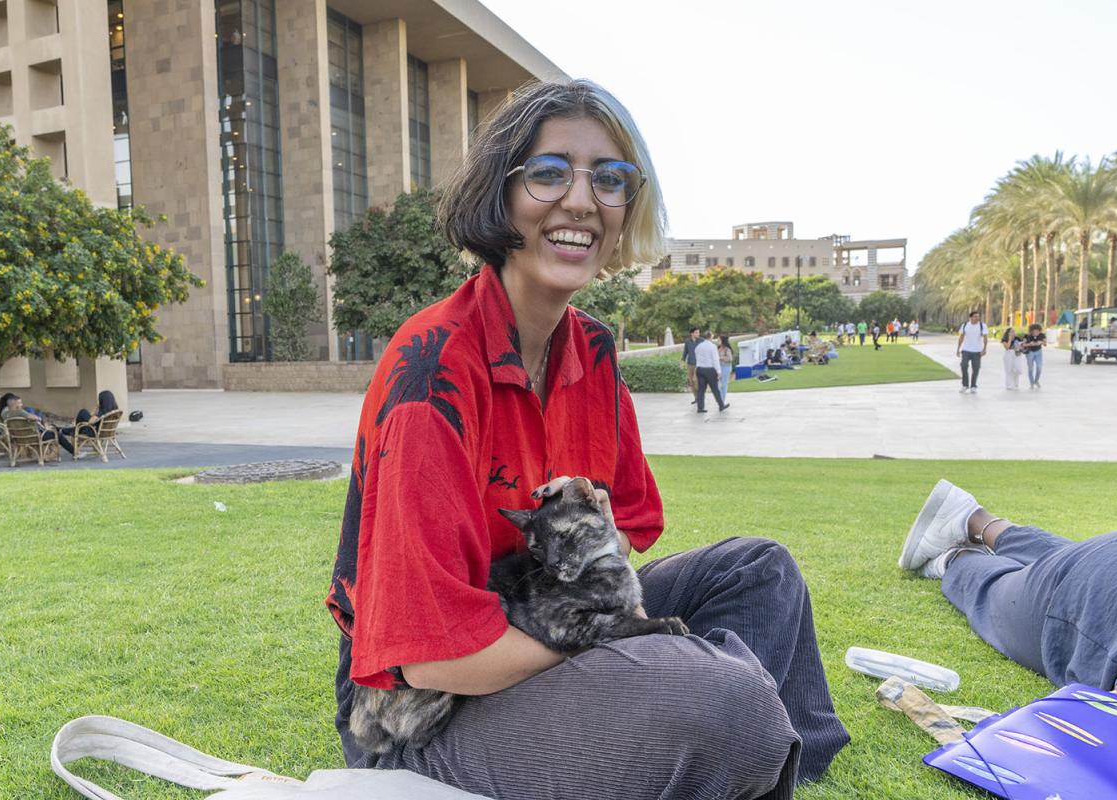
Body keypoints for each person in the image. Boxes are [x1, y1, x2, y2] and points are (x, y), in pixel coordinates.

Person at [326, 79, 846, 800]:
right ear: (500, 195)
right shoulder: (434, 371)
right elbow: (431, 661)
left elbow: (627, 526)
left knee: (760, 572)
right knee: (723, 701)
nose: (581, 200)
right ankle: (735, 720)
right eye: (549, 173)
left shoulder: (593, 355)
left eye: (609, 179)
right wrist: (607, 640)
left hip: (544, 615)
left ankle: (751, 744)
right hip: (425, 717)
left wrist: (602, 607)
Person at [898, 480, 1117, 689]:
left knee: (1077, 561)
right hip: (1096, 599)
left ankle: (977, 520)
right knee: (993, 594)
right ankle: (958, 558)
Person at [0, 392, 72, 455]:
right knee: (58, 435)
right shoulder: (20, 411)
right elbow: (34, 418)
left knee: (52, 429)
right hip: (34, 437)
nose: (22, 404)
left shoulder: (4, 415)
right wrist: (39, 418)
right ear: (16, 404)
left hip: (18, 439)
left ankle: (62, 431)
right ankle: (74, 452)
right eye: (20, 403)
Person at [694, 329, 729, 413]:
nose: (713, 337)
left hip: (699, 369)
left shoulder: (698, 346)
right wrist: (719, 371)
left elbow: (696, 358)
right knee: (715, 389)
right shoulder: (712, 346)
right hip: (709, 370)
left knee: (701, 389)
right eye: (712, 335)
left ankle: (700, 408)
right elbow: (715, 360)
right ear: (710, 337)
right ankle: (721, 405)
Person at [955, 311, 988, 394]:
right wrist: (958, 349)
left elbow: (985, 339)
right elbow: (961, 338)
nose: (977, 318)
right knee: (963, 365)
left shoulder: (982, 326)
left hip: (977, 351)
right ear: (971, 317)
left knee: (976, 368)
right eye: (976, 316)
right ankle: (965, 385)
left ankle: (973, 386)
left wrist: (984, 349)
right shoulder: (965, 325)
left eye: (978, 316)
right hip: (966, 350)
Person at [1021, 323, 1046, 388]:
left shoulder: (1042, 335)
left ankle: (1036, 380)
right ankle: (1031, 383)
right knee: (1030, 369)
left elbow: (1045, 344)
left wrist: (1041, 342)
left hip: (1038, 352)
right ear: (1031, 331)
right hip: (1030, 353)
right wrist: (1029, 344)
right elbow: (1023, 345)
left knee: (1039, 368)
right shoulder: (1027, 336)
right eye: (1034, 331)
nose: (1036, 333)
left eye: (1037, 331)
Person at [680, 326, 701, 402]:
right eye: (696, 332)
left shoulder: (701, 341)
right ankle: (696, 398)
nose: (698, 334)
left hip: (699, 365)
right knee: (691, 382)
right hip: (690, 365)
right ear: (692, 333)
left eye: (698, 332)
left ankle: (700, 397)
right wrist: (682, 361)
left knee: (697, 381)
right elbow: (685, 353)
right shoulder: (687, 342)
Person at [716, 334, 735, 402]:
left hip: (726, 368)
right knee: (718, 384)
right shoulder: (718, 348)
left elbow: (730, 359)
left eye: (719, 340)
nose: (717, 341)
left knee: (724, 384)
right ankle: (720, 399)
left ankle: (722, 401)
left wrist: (720, 358)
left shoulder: (727, 349)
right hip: (719, 368)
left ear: (722, 341)